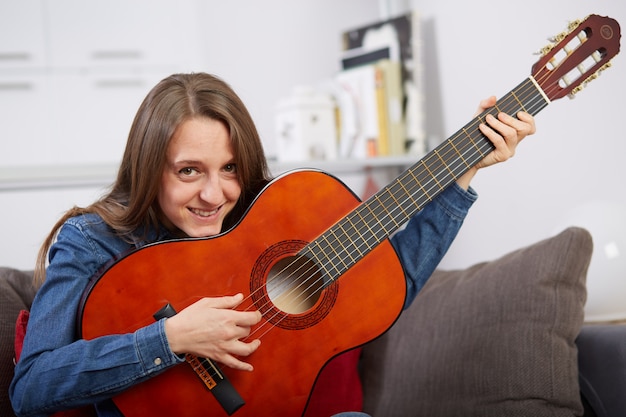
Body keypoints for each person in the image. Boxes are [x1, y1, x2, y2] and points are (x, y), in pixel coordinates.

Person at [10, 72, 535, 417]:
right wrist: (169, 338)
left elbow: (383, 292)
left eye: (230, 169)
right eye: (189, 171)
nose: (214, 194)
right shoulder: (94, 241)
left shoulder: (265, 227)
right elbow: (31, 388)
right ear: (150, 169)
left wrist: (462, 174)